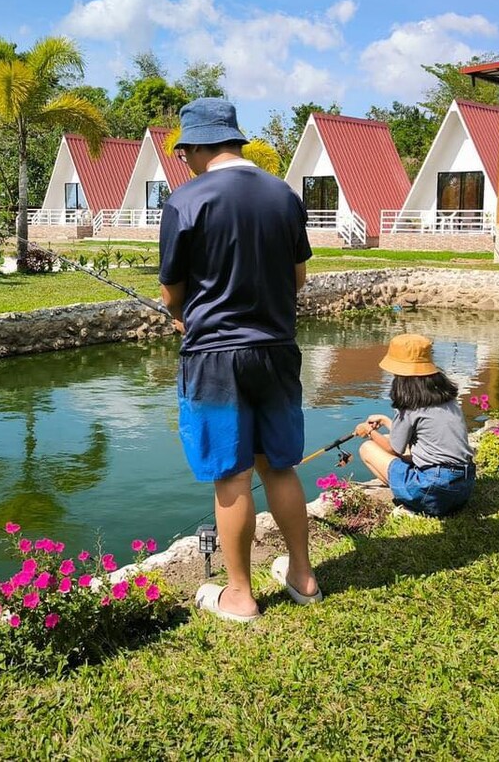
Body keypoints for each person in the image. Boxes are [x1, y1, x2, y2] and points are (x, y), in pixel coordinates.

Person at [159, 97, 318, 623]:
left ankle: (239, 595)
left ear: (198, 147)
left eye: (185, 151)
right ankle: (302, 576)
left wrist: (186, 315)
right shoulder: (284, 196)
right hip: (277, 350)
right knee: (279, 466)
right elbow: (297, 281)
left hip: (214, 358)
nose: (185, 160)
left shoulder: (186, 201)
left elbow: (170, 294)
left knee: (230, 475)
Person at [353, 334, 476, 517]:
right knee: (404, 447)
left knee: (367, 448)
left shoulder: (409, 405)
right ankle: (416, 494)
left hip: (432, 492)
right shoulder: (447, 399)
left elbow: (394, 449)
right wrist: (387, 421)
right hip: (464, 487)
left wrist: (369, 431)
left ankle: (411, 502)